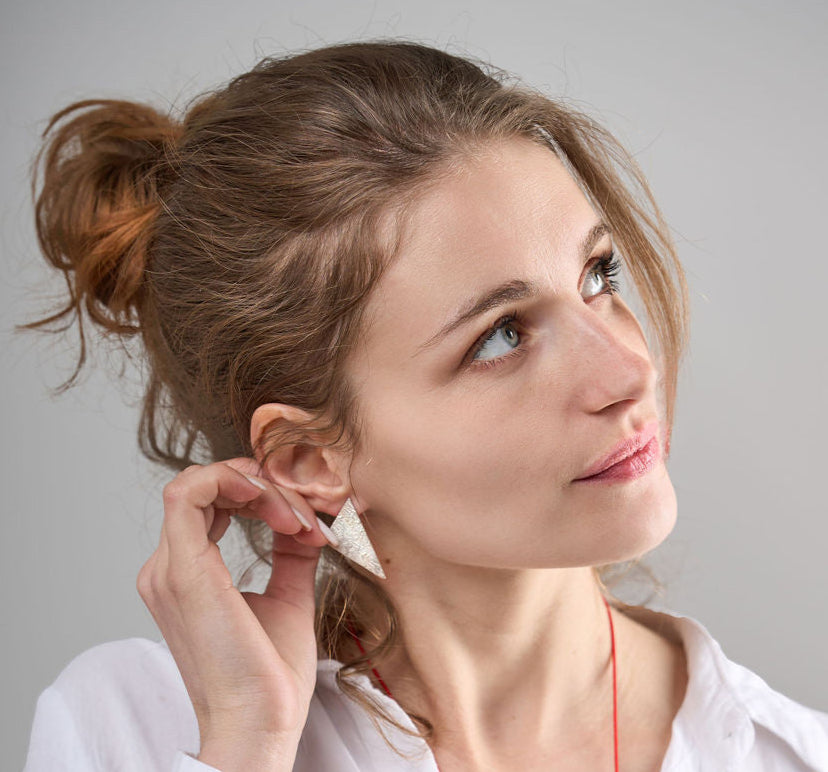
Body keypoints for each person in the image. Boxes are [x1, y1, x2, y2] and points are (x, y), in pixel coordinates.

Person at [21, 40, 828, 772]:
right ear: (312, 462)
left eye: (599, 276)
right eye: (501, 335)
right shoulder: (136, 730)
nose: (627, 370)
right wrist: (248, 745)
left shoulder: (786, 755)